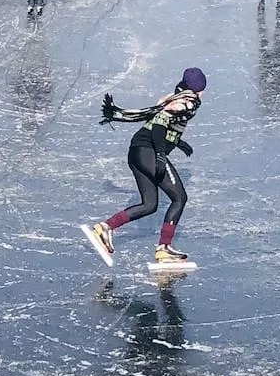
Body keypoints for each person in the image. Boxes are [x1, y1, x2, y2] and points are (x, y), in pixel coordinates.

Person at [81, 68, 208, 268]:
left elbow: (159, 123)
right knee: (180, 198)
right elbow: (159, 126)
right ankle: (163, 248)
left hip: (136, 151)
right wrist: (160, 154)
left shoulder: (173, 98)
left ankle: (104, 228)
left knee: (150, 205)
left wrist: (177, 141)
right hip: (149, 151)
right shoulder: (187, 102)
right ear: (199, 89)